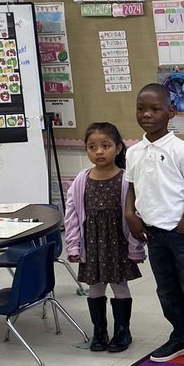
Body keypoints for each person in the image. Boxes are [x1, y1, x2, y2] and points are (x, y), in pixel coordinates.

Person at [124, 83, 184, 364]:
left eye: (154, 109)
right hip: (152, 233)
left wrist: (183, 226)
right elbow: (130, 187)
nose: (147, 115)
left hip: (180, 232)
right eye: (141, 109)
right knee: (165, 289)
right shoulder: (133, 151)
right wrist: (130, 216)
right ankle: (179, 336)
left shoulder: (182, 150)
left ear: (171, 112)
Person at [65, 121, 144, 353]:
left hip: (117, 244)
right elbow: (71, 215)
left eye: (105, 145)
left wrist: (135, 247)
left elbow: (135, 215)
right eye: (92, 147)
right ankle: (99, 332)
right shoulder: (82, 179)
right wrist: (73, 246)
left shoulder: (126, 179)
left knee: (119, 286)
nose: (99, 151)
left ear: (118, 148)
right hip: (92, 245)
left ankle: (122, 332)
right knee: (95, 287)